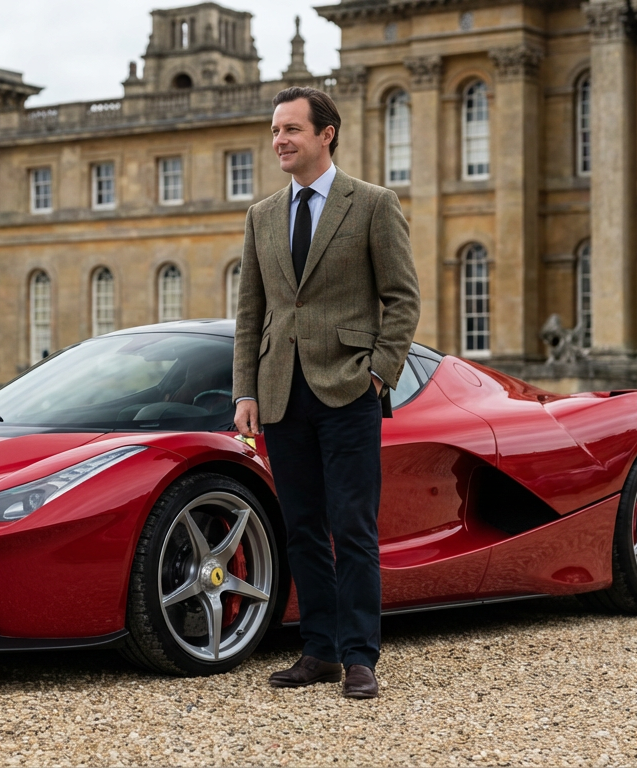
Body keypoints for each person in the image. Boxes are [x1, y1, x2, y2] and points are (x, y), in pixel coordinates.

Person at [232, 86, 420, 700]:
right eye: (275, 130)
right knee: (303, 528)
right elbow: (250, 316)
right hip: (281, 392)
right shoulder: (262, 215)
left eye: (291, 129)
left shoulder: (371, 204)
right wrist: (245, 391)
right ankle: (318, 651)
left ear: (326, 134)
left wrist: (378, 373)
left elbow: (402, 298)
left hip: (347, 390)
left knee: (354, 527)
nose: (280, 140)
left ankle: (361, 655)